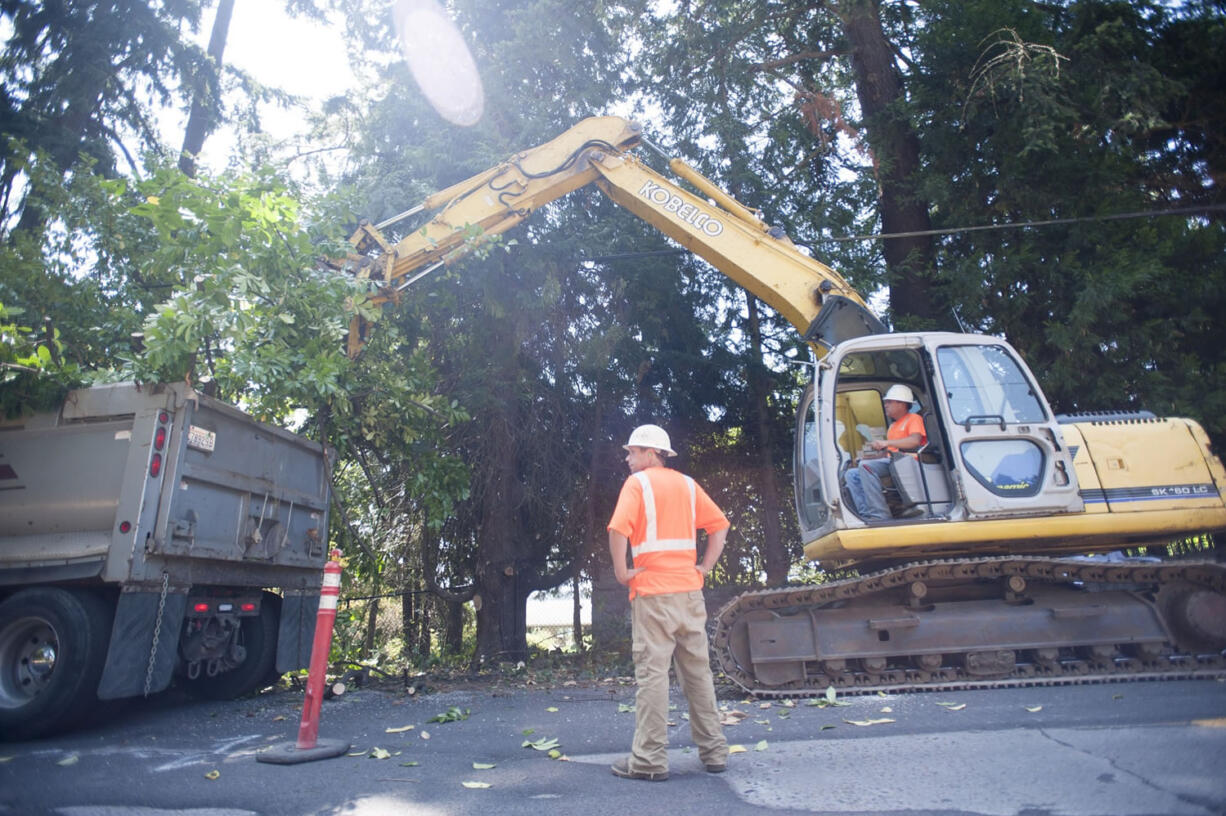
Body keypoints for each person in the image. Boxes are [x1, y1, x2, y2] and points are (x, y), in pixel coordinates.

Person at [606, 423, 730, 782]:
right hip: (689, 595)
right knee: (698, 675)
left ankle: (648, 762)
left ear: (650, 453)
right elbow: (719, 526)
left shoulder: (638, 484)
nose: (628, 458)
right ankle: (714, 753)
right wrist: (704, 567)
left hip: (653, 595)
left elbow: (618, 530)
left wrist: (620, 571)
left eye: (632, 452)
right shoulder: (688, 486)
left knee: (653, 677)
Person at [843, 384, 927, 521]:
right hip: (893, 461)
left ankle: (880, 514)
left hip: (908, 461)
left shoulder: (913, 419)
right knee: (851, 474)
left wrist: (885, 443)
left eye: (889, 402)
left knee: (866, 467)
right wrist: (868, 458)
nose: (885, 405)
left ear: (901, 403)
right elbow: (888, 453)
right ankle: (865, 514)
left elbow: (914, 441)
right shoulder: (893, 426)